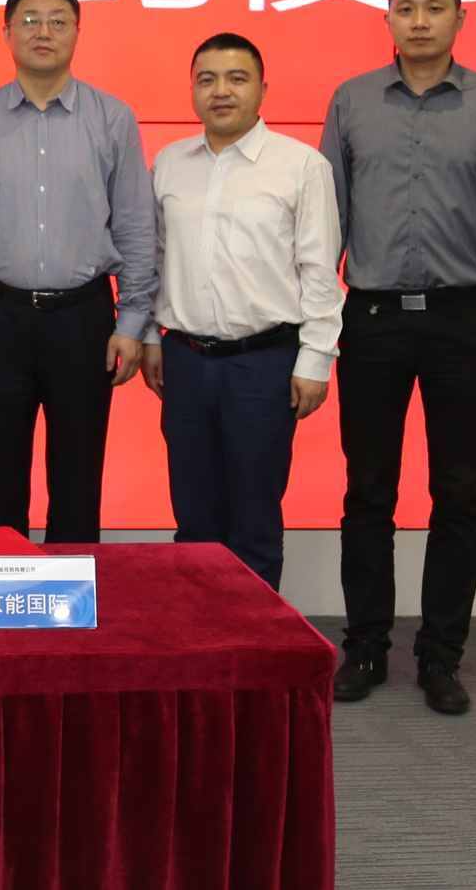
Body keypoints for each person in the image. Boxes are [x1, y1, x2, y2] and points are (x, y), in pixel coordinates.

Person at [320, 0, 476, 717]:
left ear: (460, 18)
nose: (419, 20)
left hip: (462, 321)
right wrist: (318, 322)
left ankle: (441, 655)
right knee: (367, 493)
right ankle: (366, 646)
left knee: (458, 494)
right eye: (406, 7)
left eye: (434, 7)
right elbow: (327, 222)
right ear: (386, 17)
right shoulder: (351, 100)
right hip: (372, 319)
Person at [0, 0, 156, 545]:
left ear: (77, 32)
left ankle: (70, 597)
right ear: (7, 33)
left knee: (79, 473)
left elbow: (135, 226)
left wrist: (133, 322)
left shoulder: (112, 118)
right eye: (30, 20)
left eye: (58, 20)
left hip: (84, 319)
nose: (44, 31)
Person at [137, 33, 342, 591]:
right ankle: (201, 633)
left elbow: (320, 270)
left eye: (236, 78)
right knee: (194, 520)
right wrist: (151, 338)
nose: (220, 91)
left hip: (264, 362)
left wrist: (316, 359)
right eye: (206, 80)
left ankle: (255, 638)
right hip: (183, 359)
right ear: (192, 90)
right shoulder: (169, 163)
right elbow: (155, 258)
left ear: (262, 89)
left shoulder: (301, 165)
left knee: (254, 521)